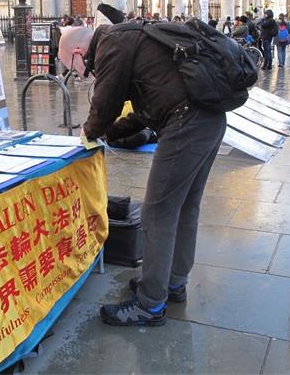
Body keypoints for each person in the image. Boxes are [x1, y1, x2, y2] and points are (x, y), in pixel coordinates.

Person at [76, 24, 226, 326]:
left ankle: (150, 305)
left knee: (157, 213)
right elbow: (149, 107)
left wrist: (89, 132)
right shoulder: (135, 37)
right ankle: (172, 282)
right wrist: (113, 132)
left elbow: (106, 100)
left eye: (75, 67)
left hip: (187, 124)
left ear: (79, 53)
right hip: (210, 118)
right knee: (184, 207)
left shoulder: (111, 43)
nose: (82, 74)